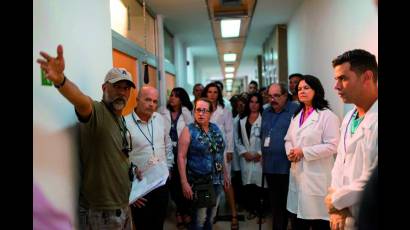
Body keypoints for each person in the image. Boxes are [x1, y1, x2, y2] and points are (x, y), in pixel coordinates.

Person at [36, 45, 145, 229]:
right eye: (117, 86)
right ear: (104, 87)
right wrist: (61, 80)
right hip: (102, 212)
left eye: (126, 88)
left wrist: (132, 169)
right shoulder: (96, 112)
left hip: (122, 206)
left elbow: (116, 154)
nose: (122, 92)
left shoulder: (120, 120)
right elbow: (79, 98)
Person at [325, 49, 378, 230]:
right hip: (342, 216)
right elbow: (340, 163)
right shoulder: (348, 118)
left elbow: (374, 177)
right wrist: (336, 207)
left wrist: (337, 200)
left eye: (343, 78)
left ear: (367, 77)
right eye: (336, 79)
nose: (336, 86)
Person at [284, 75, 340, 230]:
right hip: (297, 175)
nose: (302, 91)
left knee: (318, 221)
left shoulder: (327, 116)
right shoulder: (296, 115)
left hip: (317, 178)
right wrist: (291, 152)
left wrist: (303, 152)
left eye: (306, 88)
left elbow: (332, 146)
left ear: (317, 90)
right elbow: (288, 139)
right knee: (297, 220)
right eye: (299, 89)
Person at [124, 86, 174, 230]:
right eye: (147, 100)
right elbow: (120, 159)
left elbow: (167, 143)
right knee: (143, 225)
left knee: (158, 224)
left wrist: (168, 167)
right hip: (141, 186)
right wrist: (131, 191)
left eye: (155, 101)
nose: (151, 104)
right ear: (137, 100)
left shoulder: (159, 119)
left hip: (161, 183)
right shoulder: (124, 124)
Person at [177, 97, 229, 230]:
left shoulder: (215, 128)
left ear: (210, 113)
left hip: (217, 181)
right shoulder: (188, 130)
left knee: (211, 218)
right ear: (194, 111)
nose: (201, 113)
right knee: (199, 220)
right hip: (199, 182)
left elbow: (220, 152)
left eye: (205, 111)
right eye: (198, 110)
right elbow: (181, 157)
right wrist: (184, 182)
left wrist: (226, 174)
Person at [260, 83, 298, 230]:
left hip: (288, 167)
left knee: (292, 206)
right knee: (276, 206)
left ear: (285, 96)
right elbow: (263, 136)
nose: (273, 99)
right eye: (270, 96)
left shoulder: (295, 110)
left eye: (276, 96)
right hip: (270, 166)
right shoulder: (266, 112)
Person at [202, 82, 238, 229]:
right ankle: (213, 213)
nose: (212, 94)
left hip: (222, 151)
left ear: (219, 94)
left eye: (215, 92)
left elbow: (229, 131)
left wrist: (229, 150)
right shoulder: (201, 110)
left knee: (226, 182)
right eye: (209, 92)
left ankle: (234, 215)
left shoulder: (225, 110)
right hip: (205, 151)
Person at [158, 87, 194, 229]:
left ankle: (185, 211)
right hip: (168, 150)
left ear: (182, 99)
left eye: (176, 96)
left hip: (183, 151)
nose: (172, 98)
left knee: (183, 182)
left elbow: (191, 127)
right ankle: (180, 212)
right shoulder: (162, 111)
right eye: (171, 95)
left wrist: (185, 111)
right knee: (173, 184)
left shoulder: (186, 112)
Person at [236, 93, 266, 222]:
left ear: (260, 104)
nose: (254, 105)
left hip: (260, 158)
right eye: (251, 102)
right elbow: (237, 139)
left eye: (257, 102)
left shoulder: (264, 119)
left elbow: (267, 139)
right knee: (249, 186)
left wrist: (260, 153)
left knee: (260, 186)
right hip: (246, 158)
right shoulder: (241, 120)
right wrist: (244, 153)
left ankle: (261, 212)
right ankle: (252, 210)